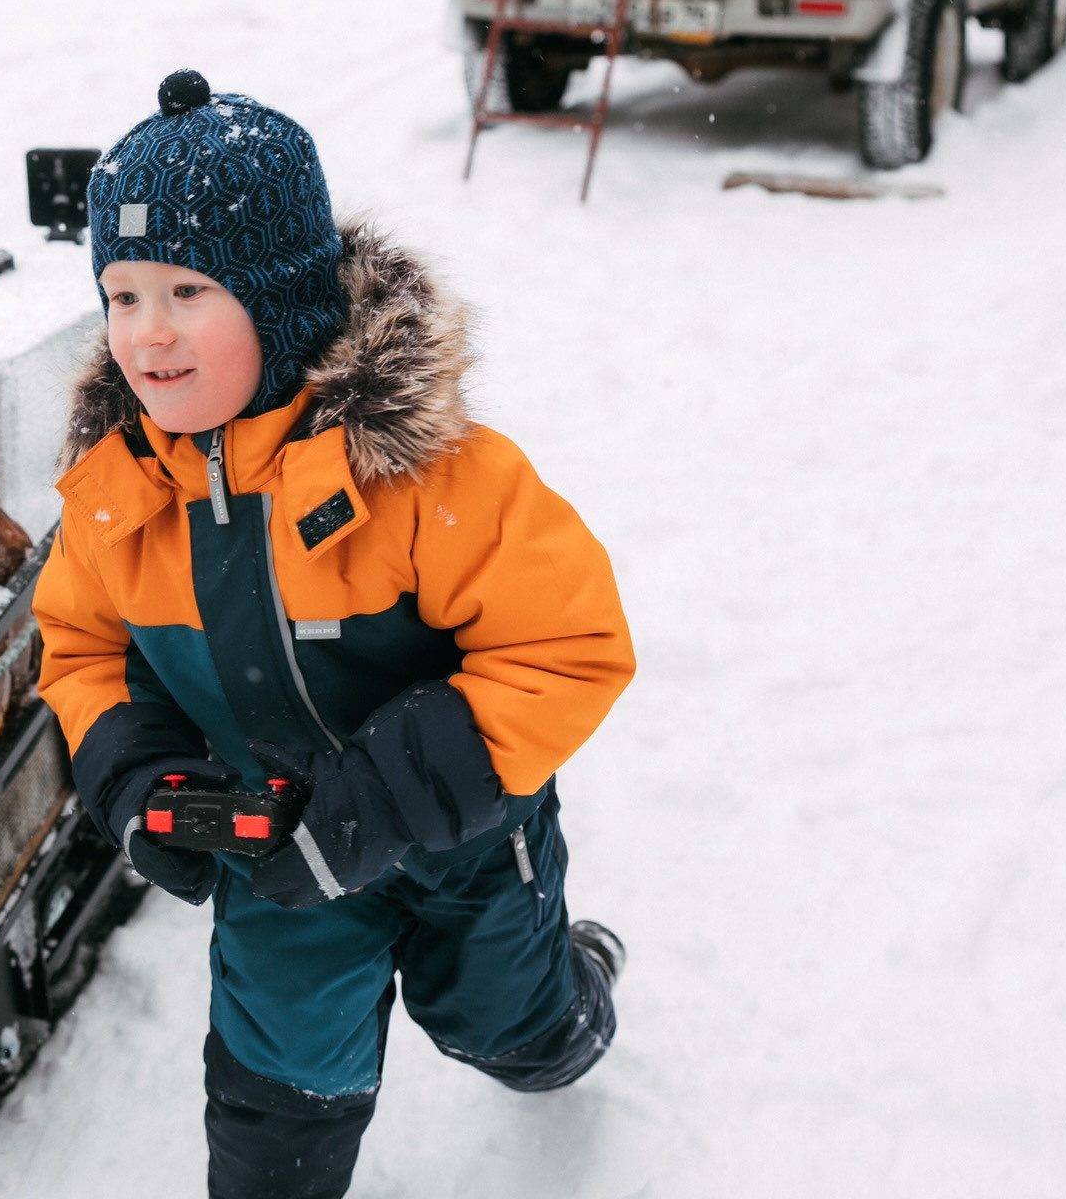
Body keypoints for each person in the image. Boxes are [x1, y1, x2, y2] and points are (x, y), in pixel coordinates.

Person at [34, 69, 635, 1198]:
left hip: (465, 840)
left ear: (280, 299)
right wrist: (132, 772)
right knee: (275, 1107)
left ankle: (570, 1004)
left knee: (504, 1028)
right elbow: (82, 651)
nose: (146, 335)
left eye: (186, 291)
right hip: (277, 867)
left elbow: (567, 647)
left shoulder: (429, 475)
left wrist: (370, 808)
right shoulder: (117, 498)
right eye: (121, 297)